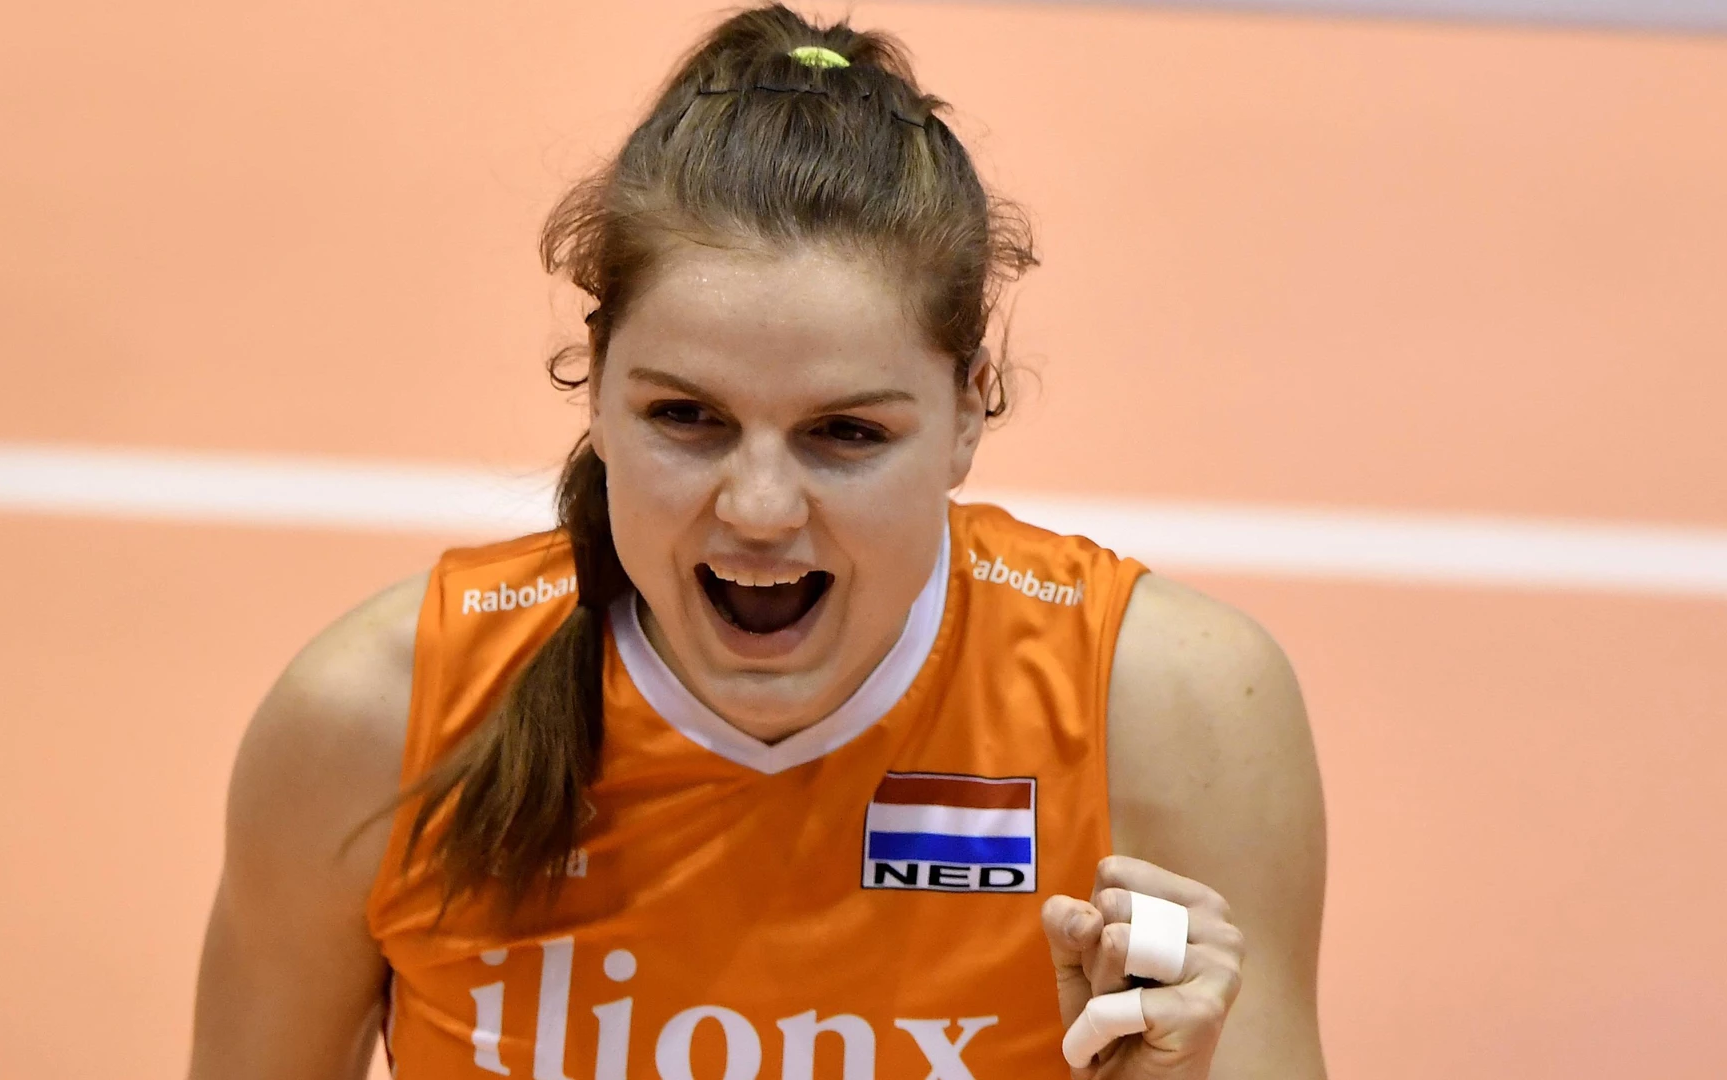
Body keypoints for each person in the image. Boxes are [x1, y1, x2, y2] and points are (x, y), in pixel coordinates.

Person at [187, 6, 1328, 1079]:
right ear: (595, 389)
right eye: (688, 417)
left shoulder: (1162, 710)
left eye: (846, 433)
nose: (761, 509)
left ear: (968, 413)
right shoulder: (380, 723)